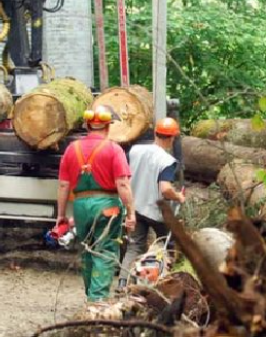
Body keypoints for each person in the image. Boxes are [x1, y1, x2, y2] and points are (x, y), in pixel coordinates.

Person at [56, 105, 136, 304]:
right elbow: (123, 183)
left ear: (87, 126)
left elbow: (64, 185)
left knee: (87, 249)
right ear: (108, 127)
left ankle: (91, 295)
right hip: (106, 205)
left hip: (81, 206)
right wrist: (131, 213)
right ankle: (97, 300)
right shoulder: (113, 149)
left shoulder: (71, 149)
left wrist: (60, 215)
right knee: (106, 250)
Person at [117, 117, 184, 290]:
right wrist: (178, 196)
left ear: (155, 133)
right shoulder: (167, 161)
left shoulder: (135, 150)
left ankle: (122, 283)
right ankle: (170, 282)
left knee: (134, 246)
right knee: (171, 244)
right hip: (155, 211)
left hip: (135, 207)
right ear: (172, 138)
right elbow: (165, 189)